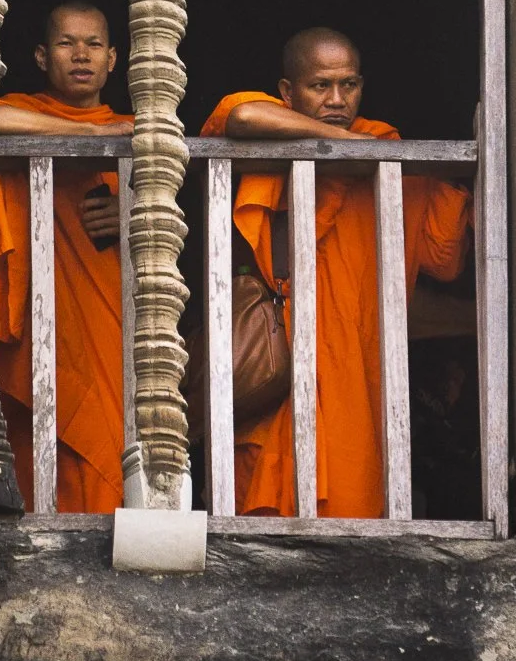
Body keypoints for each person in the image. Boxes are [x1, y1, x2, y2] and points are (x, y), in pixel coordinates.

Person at [199, 26, 473, 518]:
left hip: (355, 367)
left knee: (355, 499)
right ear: (288, 91)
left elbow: (441, 258)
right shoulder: (287, 132)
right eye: (320, 86)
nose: (336, 99)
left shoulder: (384, 147)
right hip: (279, 363)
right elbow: (242, 116)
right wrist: (341, 145)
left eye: (349, 85)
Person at [0, 1, 129, 512]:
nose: (81, 55)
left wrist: (134, 215)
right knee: (40, 429)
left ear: (113, 59)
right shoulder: (28, 113)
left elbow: (176, 216)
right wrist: (90, 135)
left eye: (94, 44)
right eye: (67, 43)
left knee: (112, 437)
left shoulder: (135, 131)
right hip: (39, 319)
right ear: (43, 56)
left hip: (109, 319)